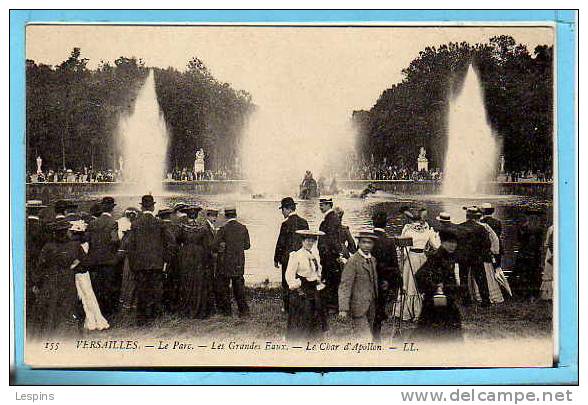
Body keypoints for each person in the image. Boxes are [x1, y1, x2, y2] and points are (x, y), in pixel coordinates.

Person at [126, 195, 174, 325]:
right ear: (153, 207)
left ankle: (142, 319)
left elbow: (130, 246)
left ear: (142, 207)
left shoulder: (135, 224)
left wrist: (133, 264)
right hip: (156, 263)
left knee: (142, 290)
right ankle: (155, 317)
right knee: (156, 290)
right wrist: (165, 260)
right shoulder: (160, 223)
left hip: (140, 264)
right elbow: (171, 242)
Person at [33, 220, 86, 338]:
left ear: (54, 233)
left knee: (51, 308)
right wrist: (72, 267)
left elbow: (41, 266)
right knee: (68, 307)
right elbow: (84, 264)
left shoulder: (48, 247)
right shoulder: (75, 245)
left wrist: (37, 283)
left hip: (50, 280)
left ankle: (50, 335)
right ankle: (68, 337)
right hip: (68, 279)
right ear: (67, 231)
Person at [414, 229, 462, 341]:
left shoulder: (449, 256)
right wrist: (436, 287)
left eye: (455, 243)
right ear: (443, 243)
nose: (453, 245)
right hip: (436, 299)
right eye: (449, 242)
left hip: (447, 298)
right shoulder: (436, 257)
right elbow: (419, 275)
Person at [394, 209, 440, 321]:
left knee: (410, 284)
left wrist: (401, 262)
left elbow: (402, 248)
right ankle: (419, 312)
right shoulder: (428, 230)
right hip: (422, 258)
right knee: (420, 284)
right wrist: (437, 236)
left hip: (411, 257)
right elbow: (436, 246)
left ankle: (407, 312)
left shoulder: (407, 229)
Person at [285, 229, 326, 341]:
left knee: (316, 313)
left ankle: (314, 339)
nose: (310, 243)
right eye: (307, 240)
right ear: (302, 241)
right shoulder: (296, 255)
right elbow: (289, 275)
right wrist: (296, 287)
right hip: (302, 289)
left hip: (313, 288)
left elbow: (317, 272)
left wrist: (318, 280)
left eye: (312, 241)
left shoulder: (314, 255)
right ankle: (300, 340)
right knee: (303, 315)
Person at [338, 230, 379, 340]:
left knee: (365, 334)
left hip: (371, 306)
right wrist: (343, 308)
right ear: (359, 244)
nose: (366, 245)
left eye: (369, 243)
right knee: (364, 337)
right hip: (358, 306)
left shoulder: (373, 260)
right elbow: (345, 285)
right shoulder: (353, 261)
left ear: (373, 244)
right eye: (363, 242)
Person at [85, 196, 120, 320]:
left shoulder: (93, 223)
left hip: (94, 259)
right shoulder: (113, 223)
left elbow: (87, 240)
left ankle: (97, 312)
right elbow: (115, 240)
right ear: (112, 209)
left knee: (96, 286)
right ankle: (108, 314)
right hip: (109, 260)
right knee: (108, 287)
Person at [176, 205, 213, 319]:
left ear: (187, 215)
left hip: (186, 255)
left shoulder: (182, 227)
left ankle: (186, 310)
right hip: (199, 256)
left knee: (186, 280)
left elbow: (177, 240)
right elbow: (208, 245)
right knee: (198, 282)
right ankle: (198, 310)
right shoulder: (203, 227)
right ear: (197, 215)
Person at [213, 207, 251, 317]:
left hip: (225, 263)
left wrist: (222, 246)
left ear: (225, 216)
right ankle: (243, 312)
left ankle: (227, 312)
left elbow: (214, 246)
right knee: (239, 288)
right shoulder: (243, 228)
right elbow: (247, 246)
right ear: (236, 215)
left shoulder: (223, 229)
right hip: (239, 263)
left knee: (225, 288)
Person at [274, 197, 309, 313]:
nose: (282, 213)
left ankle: (288, 307)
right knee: (301, 281)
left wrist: (276, 258)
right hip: (301, 257)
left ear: (287, 209)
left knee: (287, 282)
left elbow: (281, 243)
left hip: (288, 258)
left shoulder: (285, 224)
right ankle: (301, 306)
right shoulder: (304, 222)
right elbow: (308, 241)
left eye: (282, 210)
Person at [371, 211, 401, 341]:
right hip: (383, 280)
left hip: (368, 278)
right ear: (386, 224)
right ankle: (376, 333)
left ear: (373, 222)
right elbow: (394, 265)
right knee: (379, 305)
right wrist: (396, 283)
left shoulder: (367, 239)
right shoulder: (389, 242)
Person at [456, 206, 492, 307]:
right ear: (476, 216)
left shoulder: (459, 227)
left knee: (463, 278)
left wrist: (457, 255)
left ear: (466, 216)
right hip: (477, 257)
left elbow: (456, 243)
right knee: (481, 278)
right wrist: (484, 255)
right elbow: (487, 243)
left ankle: (466, 300)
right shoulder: (481, 228)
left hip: (463, 257)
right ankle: (485, 300)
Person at [511, 209, 545, 301]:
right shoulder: (539, 229)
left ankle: (524, 294)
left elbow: (519, 240)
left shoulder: (523, 228)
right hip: (535, 255)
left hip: (524, 254)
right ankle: (533, 294)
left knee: (524, 274)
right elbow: (539, 243)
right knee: (534, 274)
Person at [318, 197, 344, 313]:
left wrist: (330, 254)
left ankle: (332, 306)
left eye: (323, 204)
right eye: (320, 204)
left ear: (329, 205)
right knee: (331, 279)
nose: (320, 207)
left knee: (331, 280)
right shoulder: (332, 218)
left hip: (330, 256)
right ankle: (330, 305)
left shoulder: (331, 219)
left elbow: (333, 240)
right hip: (329, 255)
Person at [26, 200, 47, 333]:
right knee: (37, 285)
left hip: (25, 260)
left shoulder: (19, 224)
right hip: (37, 261)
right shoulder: (41, 226)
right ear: (39, 211)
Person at [117, 207, 140, 324]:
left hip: (128, 261)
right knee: (135, 282)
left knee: (128, 282)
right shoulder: (138, 234)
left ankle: (127, 305)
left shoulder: (126, 236)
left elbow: (121, 252)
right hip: (137, 261)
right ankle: (134, 305)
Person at [540, 224, 554, 301]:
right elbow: (548, 243)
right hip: (551, 253)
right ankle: (548, 295)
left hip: (558, 251)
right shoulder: (551, 228)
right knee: (549, 273)